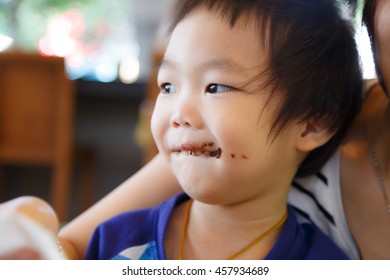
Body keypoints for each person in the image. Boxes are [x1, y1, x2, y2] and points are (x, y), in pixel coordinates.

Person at [3, 0, 383, 260]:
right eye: (168, 87)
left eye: (216, 86)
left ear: (314, 122)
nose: (178, 113)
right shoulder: (116, 243)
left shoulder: (322, 263)